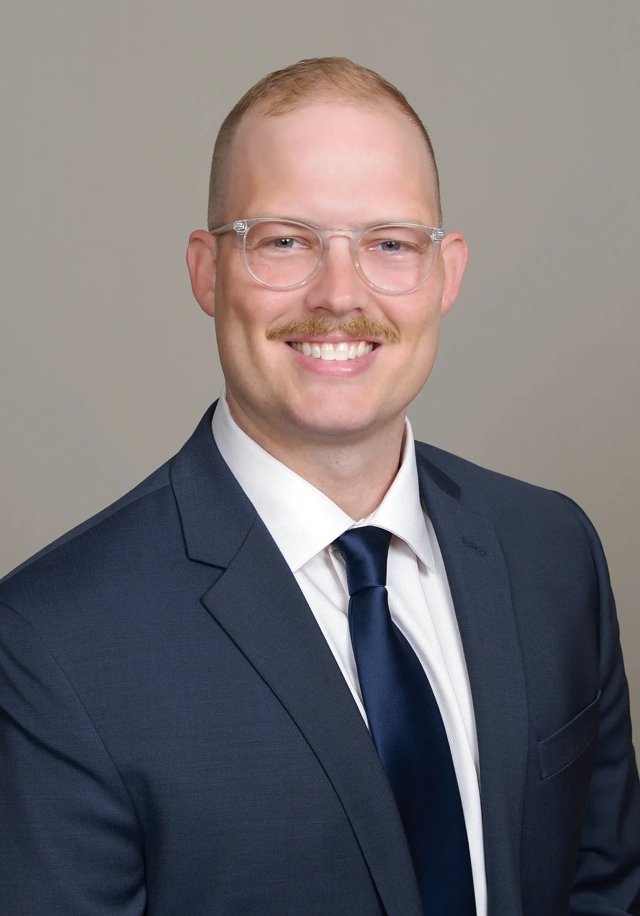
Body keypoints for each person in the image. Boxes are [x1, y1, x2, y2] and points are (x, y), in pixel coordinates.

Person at [1, 56, 639, 916]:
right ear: (207, 271)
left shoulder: (552, 552)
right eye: (285, 241)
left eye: (390, 243)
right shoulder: (53, 641)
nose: (340, 295)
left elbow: (605, 889)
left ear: (446, 273)